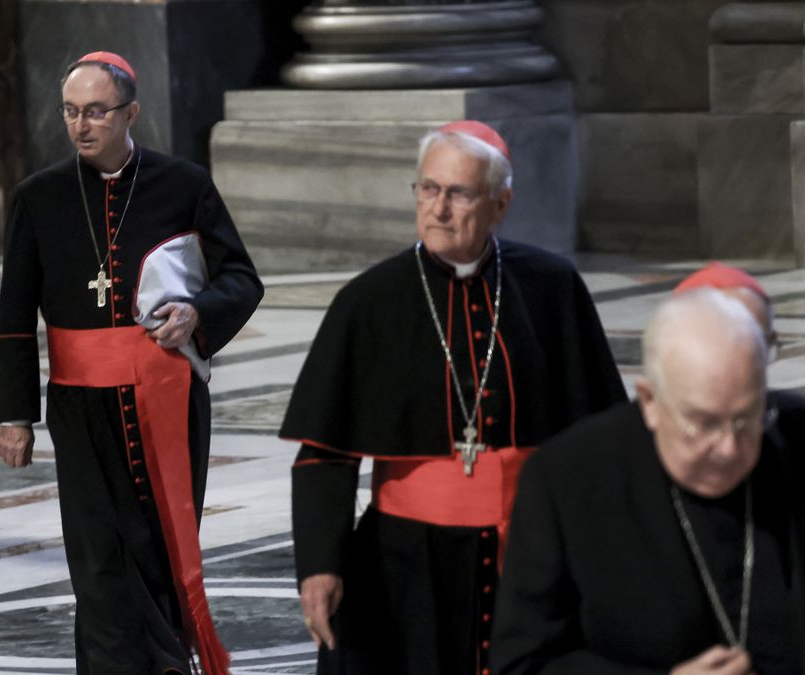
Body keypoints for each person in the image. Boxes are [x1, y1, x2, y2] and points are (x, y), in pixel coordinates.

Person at [279, 121, 627, 673]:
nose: (438, 208)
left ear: (500, 202)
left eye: (459, 193)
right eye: (428, 188)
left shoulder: (552, 288)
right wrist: (319, 565)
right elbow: (326, 454)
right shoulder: (368, 301)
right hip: (407, 564)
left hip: (533, 550)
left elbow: (603, 440)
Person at [0, 52, 263, 674]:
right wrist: (15, 415)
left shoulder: (184, 184)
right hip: (80, 403)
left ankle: (168, 659)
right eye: (69, 112)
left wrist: (198, 312)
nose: (80, 125)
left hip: (167, 393)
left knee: (166, 537)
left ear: (130, 112)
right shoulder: (39, 196)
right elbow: (14, 315)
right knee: (98, 549)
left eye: (95, 112)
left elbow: (242, 279)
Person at [490, 289, 805, 674]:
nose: (728, 447)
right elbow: (522, 664)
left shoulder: (793, 438)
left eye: (747, 417)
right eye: (704, 423)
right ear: (650, 401)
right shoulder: (567, 478)